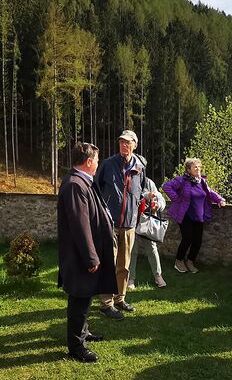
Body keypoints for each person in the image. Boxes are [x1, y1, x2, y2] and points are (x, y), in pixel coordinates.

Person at [57, 143, 116, 363]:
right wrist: (91, 257)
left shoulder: (82, 181)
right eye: (97, 160)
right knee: (79, 299)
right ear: (89, 161)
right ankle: (76, 346)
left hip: (84, 253)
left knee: (86, 295)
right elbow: (79, 225)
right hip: (79, 255)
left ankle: (83, 332)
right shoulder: (75, 184)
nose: (98, 164)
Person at [93, 129, 145, 318]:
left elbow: (140, 191)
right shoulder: (108, 164)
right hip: (110, 224)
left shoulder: (139, 167)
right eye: (121, 141)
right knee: (108, 263)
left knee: (124, 265)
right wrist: (101, 214)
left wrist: (143, 202)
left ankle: (119, 299)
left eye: (128, 142)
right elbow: (95, 190)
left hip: (129, 225)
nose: (124, 145)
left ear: (134, 145)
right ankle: (106, 304)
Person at [162, 158, 226, 273]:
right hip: (185, 215)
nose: (198, 169)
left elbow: (210, 192)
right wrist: (176, 198)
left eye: (199, 167)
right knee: (187, 239)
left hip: (199, 216)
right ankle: (179, 261)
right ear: (188, 169)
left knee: (197, 241)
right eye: (195, 167)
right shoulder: (182, 180)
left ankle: (190, 262)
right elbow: (166, 186)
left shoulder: (201, 181)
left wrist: (220, 200)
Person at [128, 175, 168, 290]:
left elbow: (160, 199)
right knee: (132, 250)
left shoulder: (148, 182)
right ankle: (130, 279)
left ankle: (158, 276)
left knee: (151, 248)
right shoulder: (128, 180)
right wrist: (145, 196)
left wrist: (158, 205)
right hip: (132, 221)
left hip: (147, 222)